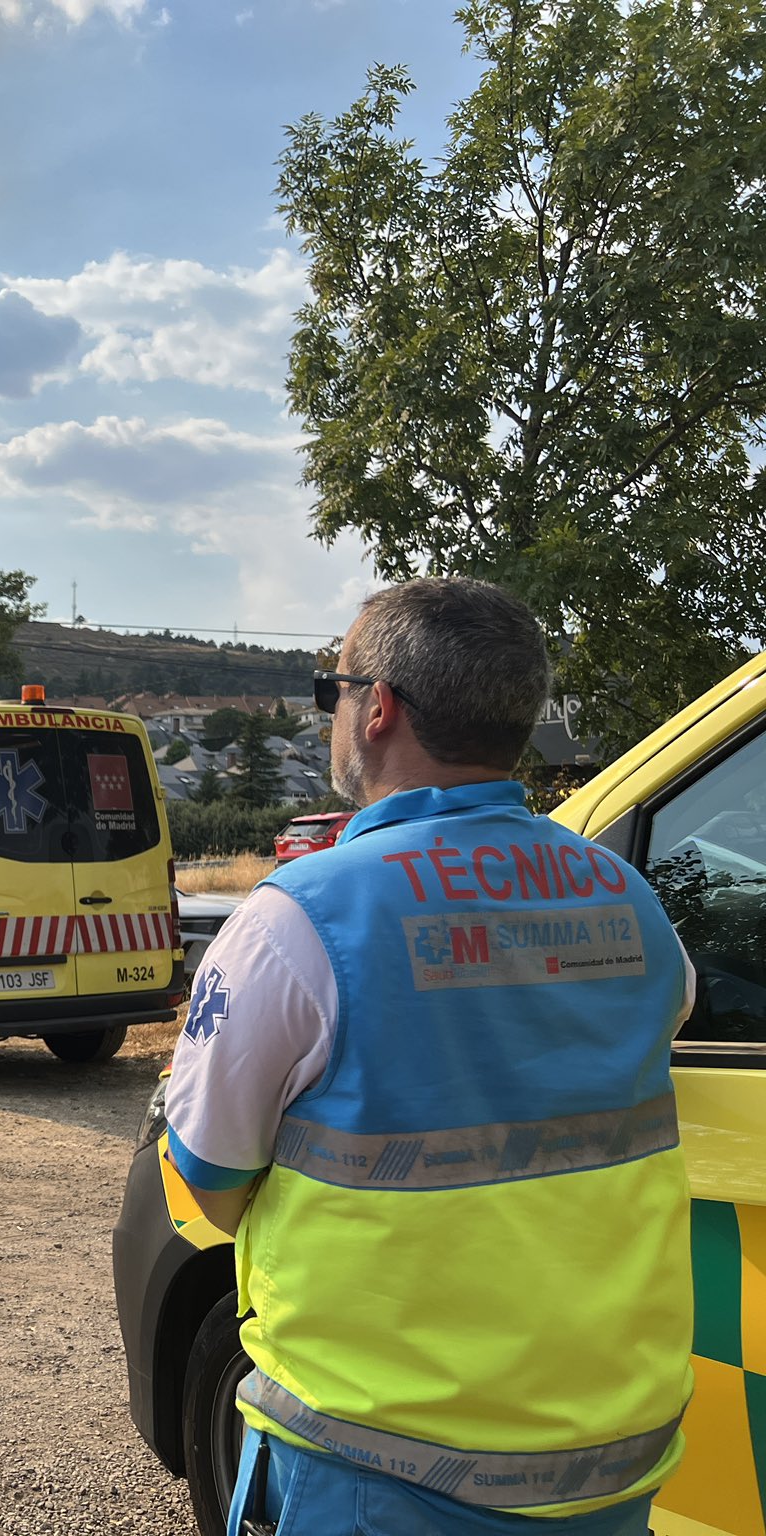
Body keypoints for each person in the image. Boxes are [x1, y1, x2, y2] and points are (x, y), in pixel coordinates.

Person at [166, 578, 693, 1535]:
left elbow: (207, 1183)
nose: (332, 714)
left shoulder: (298, 922)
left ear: (380, 710)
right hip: (610, 1468)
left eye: (332, 691)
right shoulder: (631, 903)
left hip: (383, 1471)